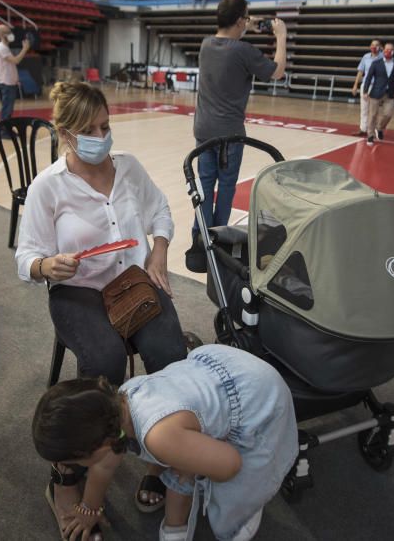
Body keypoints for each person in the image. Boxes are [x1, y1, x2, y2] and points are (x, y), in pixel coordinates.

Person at [15, 81, 187, 540]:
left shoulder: (129, 168)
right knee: (104, 362)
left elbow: (161, 213)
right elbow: (24, 257)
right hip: (79, 291)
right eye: (90, 129)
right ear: (66, 135)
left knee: (171, 354)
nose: (102, 135)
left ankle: (161, 458)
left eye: (106, 126)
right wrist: (45, 264)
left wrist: (158, 254)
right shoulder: (47, 187)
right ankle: (67, 480)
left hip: (132, 284)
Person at [33, 344, 298, 541]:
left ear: (96, 447)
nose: (75, 466)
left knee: (228, 522)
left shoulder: (158, 436)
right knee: (181, 468)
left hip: (257, 402)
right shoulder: (118, 403)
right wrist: (89, 508)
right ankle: (178, 507)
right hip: (224, 366)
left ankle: (248, 506)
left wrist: (189, 463)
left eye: (75, 461)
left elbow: (230, 464)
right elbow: (104, 465)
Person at [185, 0, 287, 273]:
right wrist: (280, 36)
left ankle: (200, 241)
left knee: (204, 189)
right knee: (225, 189)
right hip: (228, 135)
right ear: (240, 19)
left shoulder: (207, 45)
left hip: (203, 131)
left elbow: (231, 35)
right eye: (246, 17)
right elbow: (277, 72)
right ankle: (218, 241)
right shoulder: (243, 52)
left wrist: (245, 24)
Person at [362, 42, 394, 147]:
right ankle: (370, 135)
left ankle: (379, 128)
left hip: (390, 93)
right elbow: (368, 77)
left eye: (390, 49)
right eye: (386, 49)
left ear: (393, 51)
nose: (388, 51)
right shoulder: (376, 63)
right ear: (383, 50)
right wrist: (365, 91)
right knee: (372, 115)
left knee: (388, 114)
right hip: (376, 92)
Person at [0, 23, 31, 125]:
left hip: (11, 82)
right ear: (2, 34)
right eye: (8, 32)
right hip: (6, 83)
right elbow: (16, 61)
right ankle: (3, 130)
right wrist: (25, 49)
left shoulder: (5, 47)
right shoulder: (1, 47)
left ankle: (6, 128)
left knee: (9, 109)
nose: (11, 34)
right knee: (7, 108)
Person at [351, 39, 382, 137]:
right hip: (365, 85)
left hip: (376, 86)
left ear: (380, 47)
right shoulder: (366, 57)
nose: (374, 46)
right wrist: (355, 85)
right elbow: (360, 71)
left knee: (374, 110)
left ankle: (374, 130)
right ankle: (363, 129)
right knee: (364, 109)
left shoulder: (383, 58)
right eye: (372, 44)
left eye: (376, 45)